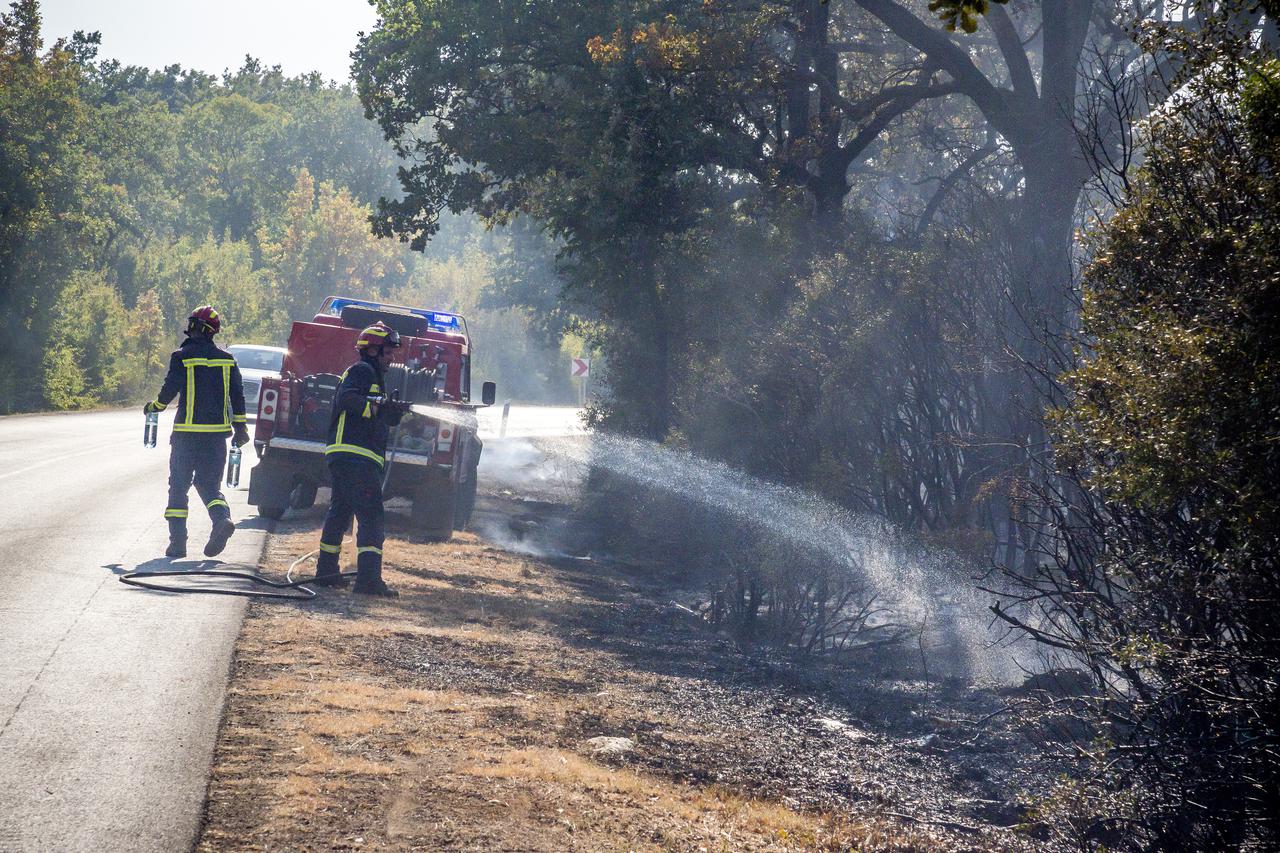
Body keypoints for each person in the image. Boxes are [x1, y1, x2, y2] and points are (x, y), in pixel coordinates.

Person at [145, 306, 250, 559]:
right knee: (209, 486)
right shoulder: (228, 360)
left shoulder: (181, 356)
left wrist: (155, 407)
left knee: (178, 487)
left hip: (186, 436)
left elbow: (171, 386)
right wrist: (241, 428)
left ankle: (178, 544)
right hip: (216, 438)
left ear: (195, 327)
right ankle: (221, 519)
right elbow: (238, 396)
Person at [311, 321, 407, 596]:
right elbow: (347, 400)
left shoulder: (374, 378)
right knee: (372, 516)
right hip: (357, 456)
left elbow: (376, 413)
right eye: (387, 352)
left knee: (340, 512)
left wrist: (392, 412)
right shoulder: (362, 371)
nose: (391, 358)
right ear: (373, 350)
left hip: (349, 456)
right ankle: (368, 581)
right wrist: (377, 408)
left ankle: (326, 573)